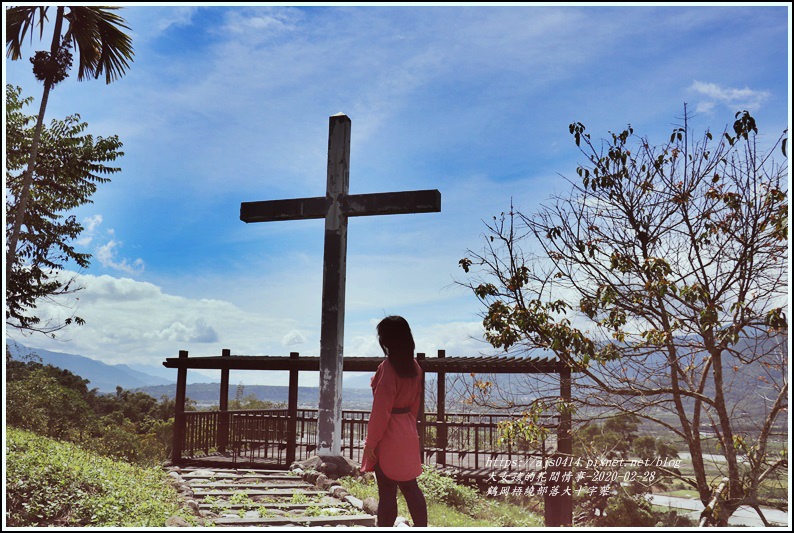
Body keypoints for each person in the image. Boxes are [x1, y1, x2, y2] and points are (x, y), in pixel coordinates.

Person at [361, 315, 428, 528]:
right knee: (411, 487)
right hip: (407, 432)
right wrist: (408, 427)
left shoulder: (388, 368)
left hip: (389, 435)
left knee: (387, 490)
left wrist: (371, 443)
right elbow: (415, 406)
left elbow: (381, 411)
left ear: (387, 340)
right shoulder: (415, 367)